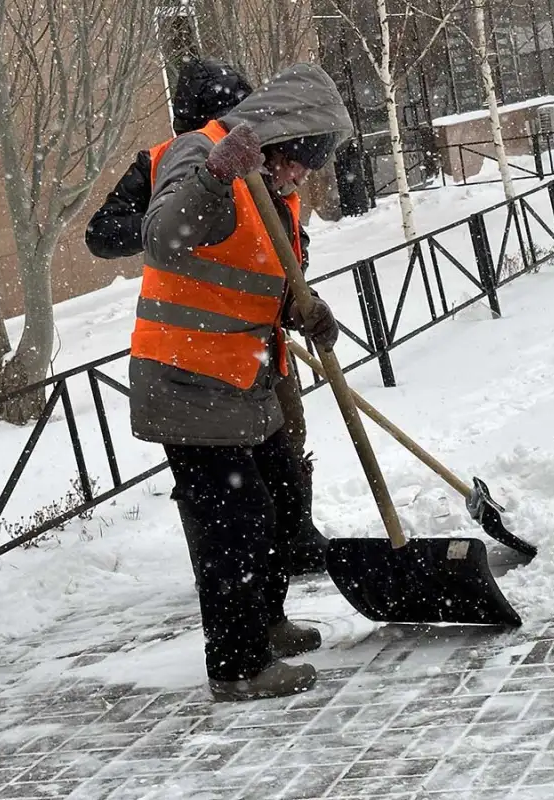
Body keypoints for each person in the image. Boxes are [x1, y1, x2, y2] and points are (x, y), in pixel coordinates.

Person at [131, 62, 353, 701]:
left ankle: (268, 622)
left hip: (245, 381)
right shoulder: (200, 154)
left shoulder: (271, 184)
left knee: (282, 502)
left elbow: (247, 276)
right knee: (236, 521)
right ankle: (237, 665)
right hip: (187, 381)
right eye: (299, 161)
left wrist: (301, 308)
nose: (302, 175)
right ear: (280, 139)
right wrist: (214, 177)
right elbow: (162, 241)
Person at [86, 57, 329, 576]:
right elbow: (104, 234)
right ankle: (234, 577)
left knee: (284, 455)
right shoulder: (162, 163)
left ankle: (291, 547)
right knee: (227, 499)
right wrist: (187, 221)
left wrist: (298, 300)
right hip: (196, 358)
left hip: (258, 347)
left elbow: (281, 249)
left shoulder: (269, 169)